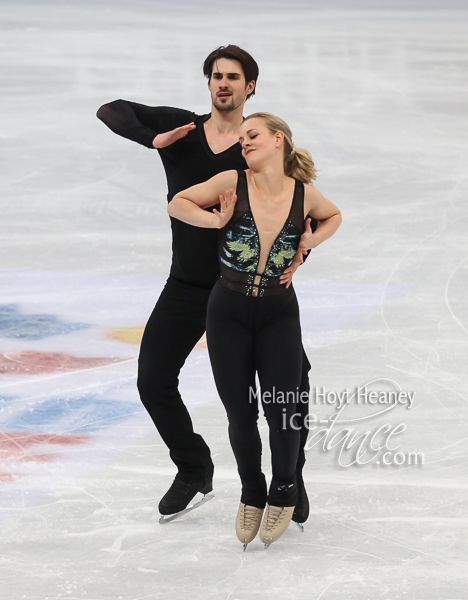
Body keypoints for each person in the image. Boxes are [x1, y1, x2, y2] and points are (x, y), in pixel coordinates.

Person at [96, 46, 314, 522]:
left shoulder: (258, 143)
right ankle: (194, 468)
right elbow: (111, 110)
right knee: (153, 380)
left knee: (291, 389)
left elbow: (297, 207)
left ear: (249, 86)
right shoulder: (182, 130)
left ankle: (290, 478)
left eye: (233, 77)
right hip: (189, 284)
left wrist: (302, 252)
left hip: (247, 291)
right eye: (216, 75)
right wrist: (151, 138)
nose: (223, 83)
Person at [168, 112, 341, 547]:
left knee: (282, 408)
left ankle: (285, 488)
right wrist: (215, 222)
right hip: (227, 311)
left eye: (252, 135)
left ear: (278, 139)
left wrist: (311, 242)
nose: (243, 141)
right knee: (240, 414)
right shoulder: (232, 180)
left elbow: (334, 215)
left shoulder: (305, 194)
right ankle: (252, 491)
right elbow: (178, 203)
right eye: (241, 137)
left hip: (279, 313)